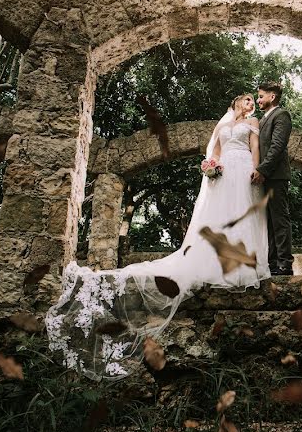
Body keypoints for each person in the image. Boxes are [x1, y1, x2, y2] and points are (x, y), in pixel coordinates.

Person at [45, 94, 270, 380]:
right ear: (237, 102)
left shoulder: (253, 122)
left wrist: (256, 169)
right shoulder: (223, 123)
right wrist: (211, 165)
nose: (251, 104)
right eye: (248, 100)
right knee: (218, 217)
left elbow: (254, 147)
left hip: (242, 168)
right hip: (224, 171)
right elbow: (213, 146)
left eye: (254, 101)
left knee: (239, 214)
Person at [251, 81, 294, 276]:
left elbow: (277, 147)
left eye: (260, 96)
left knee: (279, 219)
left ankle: (284, 263)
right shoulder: (261, 120)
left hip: (275, 176)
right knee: (268, 221)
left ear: (272, 96)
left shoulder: (281, 115)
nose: (258, 100)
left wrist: (262, 170)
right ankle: (272, 263)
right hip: (265, 177)